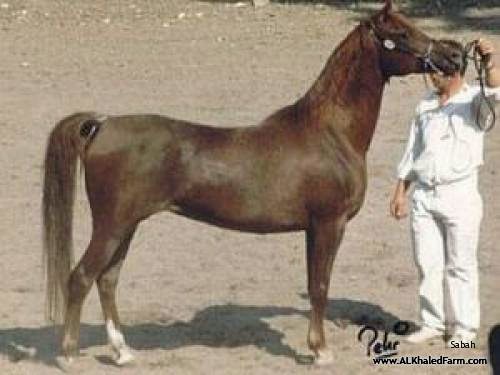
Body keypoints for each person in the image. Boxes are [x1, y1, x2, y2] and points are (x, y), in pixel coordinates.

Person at [390, 38, 500, 347]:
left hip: (460, 195)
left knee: (460, 265)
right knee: (427, 262)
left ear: (449, 72)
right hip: (425, 194)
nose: (429, 76)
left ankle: (464, 329)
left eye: (433, 71)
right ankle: (432, 322)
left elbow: (494, 89)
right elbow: (413, 151)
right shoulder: (425, 105)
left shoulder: (476, 103)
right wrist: (401, 191)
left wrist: (489, 59)